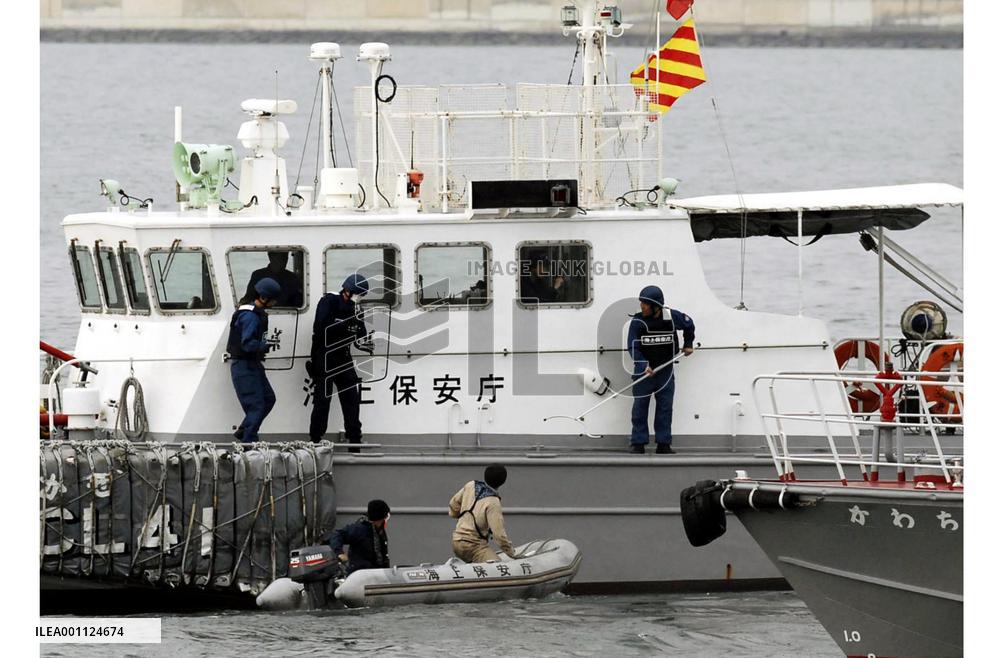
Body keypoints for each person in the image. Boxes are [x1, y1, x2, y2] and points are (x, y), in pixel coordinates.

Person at [626, 285, 695, 454]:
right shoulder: (637, 321)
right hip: (644, 371)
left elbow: (689, 324)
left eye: (646, 304)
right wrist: (643, 364)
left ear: (656, 306)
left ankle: (663, 444)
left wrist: (688, 344)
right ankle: (638, 443)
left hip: (666, 370)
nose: (642, 306)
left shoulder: (672, 317)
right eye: (641, 302)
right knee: (640, 407)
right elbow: (632, 346)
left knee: (665, 407)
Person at [308, 273, 371, 447]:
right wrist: (344, 325)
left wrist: (359, 332)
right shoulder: (329, 301)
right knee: (322, 400)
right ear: (348, 291)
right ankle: (315, 439)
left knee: (351, 398)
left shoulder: (356, 308)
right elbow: (321, 328)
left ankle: (355, 440)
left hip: (343, 356)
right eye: (358, 294)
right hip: (325, 357)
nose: (359, 298)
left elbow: (361, 332)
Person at [227, 277, 281, 443]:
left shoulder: (253, 313)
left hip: (253, 364)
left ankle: (245, 430)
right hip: (243, 366)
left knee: (269, 398)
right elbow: (247, 343)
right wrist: (263, 346)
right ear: (264, 298)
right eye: (273, 299)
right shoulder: (250, 317)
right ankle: (248, 443)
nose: (275, 302)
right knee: (256, 405)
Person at [448, 464, 516, 563]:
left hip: (456, 541)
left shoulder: (471, 485)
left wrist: (458, 516)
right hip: (474, 546)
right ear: (503, 481)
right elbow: (499, 536)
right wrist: (512, 553)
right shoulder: (493, 502)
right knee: (497, 568)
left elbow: (453, 505)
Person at [327, 499, 391, 575]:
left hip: (376, 574)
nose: (385, 521)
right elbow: (337, 534)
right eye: (385, 518)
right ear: (379, 520)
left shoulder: (379, 532)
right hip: (360, 575)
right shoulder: (359, 529)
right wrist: (339, 553)